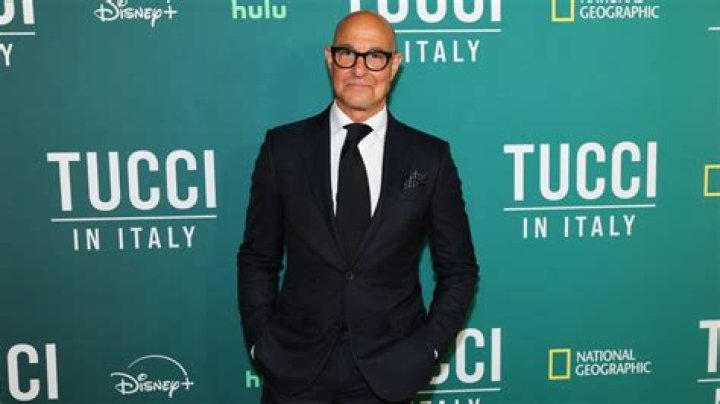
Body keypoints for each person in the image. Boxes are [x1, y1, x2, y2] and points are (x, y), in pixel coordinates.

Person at [237, 10, 479, 404]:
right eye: (348, 54)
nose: (360, 69)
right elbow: (257, 258)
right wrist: (260, 342)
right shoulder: (283, 149)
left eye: (375, 56)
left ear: (394, 65)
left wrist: (428, 349)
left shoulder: (430, 158)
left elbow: (459, 269)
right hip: (294, 368)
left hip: (390, 371)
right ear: (330, 59)